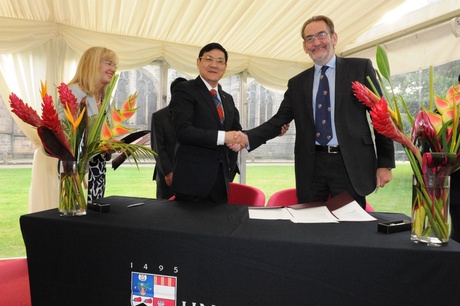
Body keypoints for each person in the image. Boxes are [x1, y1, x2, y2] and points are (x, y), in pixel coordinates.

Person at [238, 16, 395, 208]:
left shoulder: (359, 68)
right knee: (310, 227)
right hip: (312, 166)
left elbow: (380, 116)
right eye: (309, 38)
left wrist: (385, 163)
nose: (316, 42)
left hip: (350, 164)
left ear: (334, 38)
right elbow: (279, 120)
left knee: (350, 229)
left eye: (322, 35)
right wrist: (247, 138)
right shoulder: (297, 83)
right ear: (304, 46)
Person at [169, 42, 246, 203]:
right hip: (192, 183)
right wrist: (224, 137)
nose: (214, 65)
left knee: (219, 227)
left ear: (225, 66)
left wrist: (239, 142)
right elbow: (183, 131)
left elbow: (235, 130)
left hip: (221, 181)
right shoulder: (185, 90)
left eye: (220, 61)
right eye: (208, 59)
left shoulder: (227, 99)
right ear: (198, 62)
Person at [62, 46, 119, 203]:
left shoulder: (104, 98)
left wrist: (111, 143)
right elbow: (61, 133)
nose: (112, 69)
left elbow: (101, 135)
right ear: (92, 64)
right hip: (73, 171)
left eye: (114, 65)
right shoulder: (73, 92)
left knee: (93, 221)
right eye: (108, 63)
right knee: (73, 219)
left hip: (97, 170)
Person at [151, 77, 187, 199]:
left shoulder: (192, 116)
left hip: (188, 176)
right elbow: (157, 147)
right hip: (166, 176)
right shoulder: (159, 117)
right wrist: (168, 171)